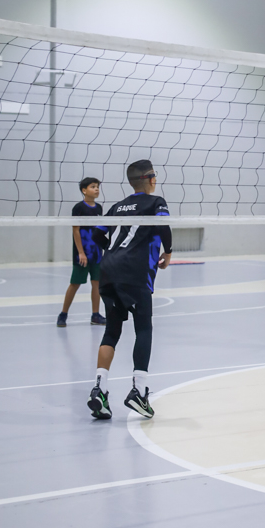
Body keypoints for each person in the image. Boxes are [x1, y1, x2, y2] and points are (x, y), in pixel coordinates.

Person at [86, 160, 172, 421]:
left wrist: (113, 252)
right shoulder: (156, 202)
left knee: (112, 331)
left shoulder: (117, 207)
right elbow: (163, 227)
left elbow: (97, 236)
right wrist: (168, 252)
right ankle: (139, 391)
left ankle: (99, 390)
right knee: (143, 328)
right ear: (150, 179)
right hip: (135, 273)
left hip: (108, 272)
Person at [57, 177, 106, 328]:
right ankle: (63, 314)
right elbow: (76, 230)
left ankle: (95, 315)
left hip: (96, 253)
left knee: (96, 283)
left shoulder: (99, 208)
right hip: (83, 254)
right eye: (93, 186)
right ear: (84, 190)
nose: (96, 189)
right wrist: (81, 253)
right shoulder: (78, 208)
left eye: (97, 187)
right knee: (75, 283)